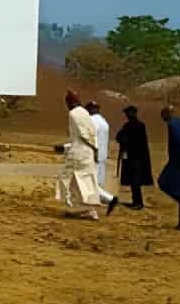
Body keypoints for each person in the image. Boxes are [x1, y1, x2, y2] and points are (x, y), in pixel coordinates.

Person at [55, 90, 105, 220]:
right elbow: (91, 133)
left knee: (69, 180)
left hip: (79, 152)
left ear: (70, 102)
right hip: (87, 151)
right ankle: (87, 209)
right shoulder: (84, 112)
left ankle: (82, 209)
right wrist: (95, 149)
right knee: (85, 181)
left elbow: (83, 134)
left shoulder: (74, 114)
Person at [115, 105, 154, 210]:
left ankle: (138, 202)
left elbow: (139, 142)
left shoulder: (138, 126)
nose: (127, 115)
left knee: (135, 181)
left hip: (137, 158)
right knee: (133, 181)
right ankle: (136, 201)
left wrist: (126, 142)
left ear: (133, 113)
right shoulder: (129, 125)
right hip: (132, 157)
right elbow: (118, 137)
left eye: (128, 113)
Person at [84, 100, 119, 215]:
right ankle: (93, 210)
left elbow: (91, 139)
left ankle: (110, 199)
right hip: (102, 156)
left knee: (90, 185)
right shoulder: (104, 121)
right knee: (96, 184)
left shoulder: (92, 121)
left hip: (94, 155)